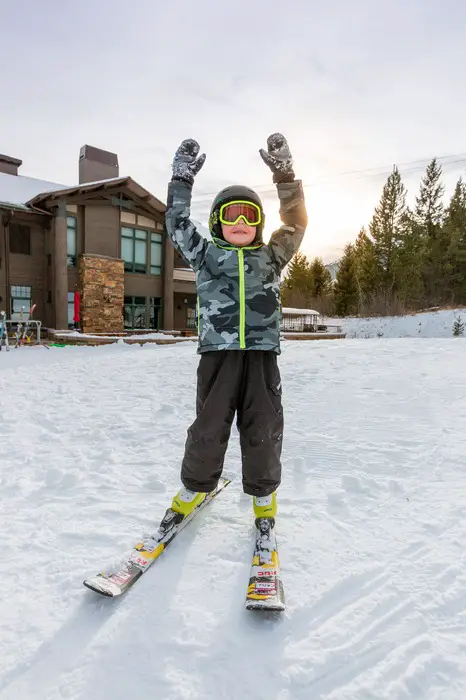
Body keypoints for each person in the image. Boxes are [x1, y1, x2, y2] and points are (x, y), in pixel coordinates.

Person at [165, 133, 308, 520]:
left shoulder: (271, 255)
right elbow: (177, 222)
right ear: (217, 223)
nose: (241, 221)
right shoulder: (205, 255)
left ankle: (264, 497)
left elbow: (296, 222)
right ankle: (196, 489)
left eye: (248, 214)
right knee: (208, 429)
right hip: (217, 356)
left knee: (263, 427)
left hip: (262, 358)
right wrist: (181, 180)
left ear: (260, 223)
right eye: (231, 215)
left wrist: (285, 176)